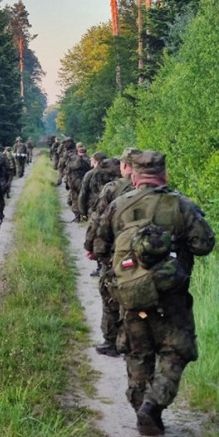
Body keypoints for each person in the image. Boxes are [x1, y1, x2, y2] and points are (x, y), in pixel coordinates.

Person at [91, 150, 216, 436]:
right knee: (176, 350)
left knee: (137, 352)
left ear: (134, 176)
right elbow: (204, 245)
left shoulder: (118, 205)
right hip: (171, 295)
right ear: (164, 175)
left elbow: (98, 246)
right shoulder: (182, 205)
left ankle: (141, 409)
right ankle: (153, 405)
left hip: (132, 294)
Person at [84, 148, 139, 356]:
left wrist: (92, 248)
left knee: (110, 295)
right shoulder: (158, 191)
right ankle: (134, 341)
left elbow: (98, 221)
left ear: (124, 166)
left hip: (117, 253)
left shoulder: (112, 189)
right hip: (147, 253)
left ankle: (112, 341)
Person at [65, 142, 92, 222]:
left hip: (73, 181)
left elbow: (67, 171)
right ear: (85, 152)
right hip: (83, 181)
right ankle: (84, 214)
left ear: (78, 152)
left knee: (74, 198)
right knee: (84, 197)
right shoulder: (88, 160)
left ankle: (77, 216)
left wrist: (67, 182)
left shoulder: (73, 160)